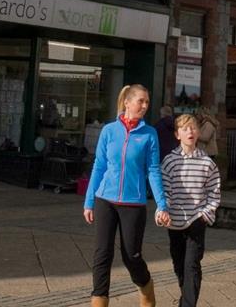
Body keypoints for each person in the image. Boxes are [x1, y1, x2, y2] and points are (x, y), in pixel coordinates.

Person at [83, 84, 171, 307]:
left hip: (133, 203)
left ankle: (146, 288)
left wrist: (162, 204)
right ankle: (99, 301)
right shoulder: (109, 131)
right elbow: (99, 166)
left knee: (131, 256)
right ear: (127, 102)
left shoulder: (149, 134)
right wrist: (89, 201)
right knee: (102, 254)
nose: (145, 105)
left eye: (147, 102)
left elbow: (153, 170)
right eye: (141, 101)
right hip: (105, 199)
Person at [161, 114, 221, 307]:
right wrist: (164, 210)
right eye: (185, 128)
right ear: (177, 134)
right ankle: (185, 297)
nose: (190, 132)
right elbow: (165, 191)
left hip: (197, 220)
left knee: (192, 265)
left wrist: (205, 215)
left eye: (194, 128)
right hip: (175, 222)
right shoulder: (169, 161)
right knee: (179, 265)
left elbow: (214, 192)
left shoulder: (207, 162)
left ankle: (188, 304)